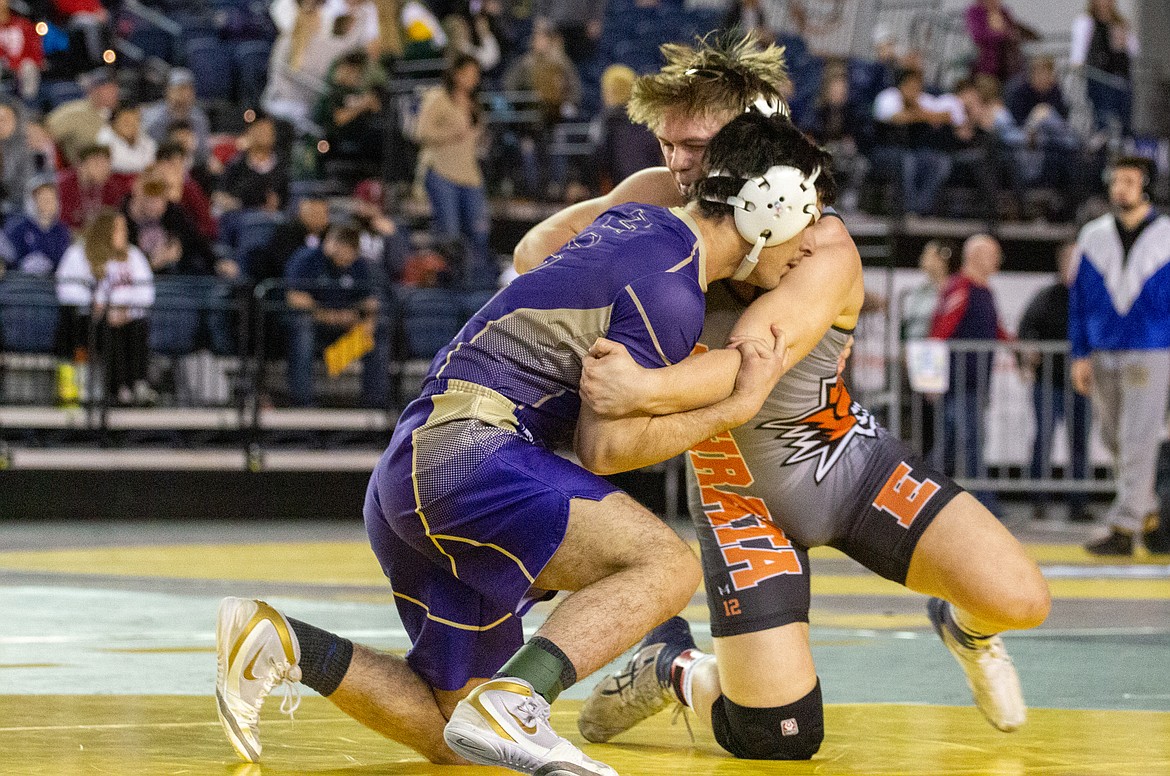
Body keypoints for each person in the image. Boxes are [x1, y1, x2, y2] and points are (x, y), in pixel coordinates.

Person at [214, 111, 826, 775]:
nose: (811, 240)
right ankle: (520, 696)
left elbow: (537, 254)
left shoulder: (637, 228)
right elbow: (606, 451)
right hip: (467, 459)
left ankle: (281, 643)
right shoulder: (669, 287)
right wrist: (737, 404)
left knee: (459, 740)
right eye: (812, 212)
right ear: (775, 204)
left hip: (414, 467)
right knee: (665, 566)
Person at [513, 33, 1048, 761]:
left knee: (1020, 600)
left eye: (693, 146)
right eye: (667, 143)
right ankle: (675, 667)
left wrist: (639, 382)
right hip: (738, 495)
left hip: (844, 464)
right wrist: (630, 279)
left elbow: (748, 366)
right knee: (779, 737)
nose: (675, 162)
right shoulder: (656, 198)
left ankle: (966, 628)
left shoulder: (821, 244)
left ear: (747, 141)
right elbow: (534, 253)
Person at [1070, 156, 1170, 556]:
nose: (1120, 188)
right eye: (1116, 181)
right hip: (1103, 346)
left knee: (1137, 438)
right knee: (1112, 437)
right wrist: (1079, 352)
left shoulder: (1165, 234)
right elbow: (1078, 300)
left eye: (1129, 181)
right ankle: (1149, 514)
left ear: (1145, 186)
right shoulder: (1093, 235)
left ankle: (1124, 526)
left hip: (1150, 347)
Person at [929, 234, 1010, 513]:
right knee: (969, 443)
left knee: (951, 445)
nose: (998, 260)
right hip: (961, 382)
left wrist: (1019, 348)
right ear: (976, 257)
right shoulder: (962, 288)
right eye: (993, 254)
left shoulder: (980, 289)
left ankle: (923, 494)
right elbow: (939, 332)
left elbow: (996, 329)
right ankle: (985, 504)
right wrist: (931, 378)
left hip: (971, 381)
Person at [1019, 242, 1090, 522]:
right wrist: (1031, 348)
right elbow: (1027, 327)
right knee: (1043, 441)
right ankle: (1038, 501)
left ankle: (1079, 504)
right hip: (1049, 383)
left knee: (1080, 445)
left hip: (1080, 384)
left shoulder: (1088, 298)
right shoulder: (1047, 296)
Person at [55, 208, 156, 405]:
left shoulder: (133, 255)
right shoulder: (78, 253)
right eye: (118, 229)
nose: (124, 234)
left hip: (126, 317)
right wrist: (97, 304)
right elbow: (66, 288)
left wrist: (127, 311)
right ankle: (118, 389)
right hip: (89, 318)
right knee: (107, 332)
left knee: (138, 328)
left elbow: (146, 291)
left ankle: (137, 384)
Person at [281, 223, 385, 408]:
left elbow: (370, 302)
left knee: (378, 330)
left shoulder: (359, 265)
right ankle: (302, 402)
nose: (347, 254)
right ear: (332, 244)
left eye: (352, 249)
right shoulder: (307, 259)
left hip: (344, 329)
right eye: (343, 246)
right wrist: (325, 315)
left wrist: (366, 321)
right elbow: (295, 297)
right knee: (302, 328)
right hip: (315, 324)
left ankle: (374, 403)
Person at [414, 54, 493, 288]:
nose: (472, 79)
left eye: (475, 75)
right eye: (467, 73)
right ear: (455, 73)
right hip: (442, 170)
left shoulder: (473, 103)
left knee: (479, 231)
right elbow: (421, 133)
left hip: (469, 173)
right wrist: (451, 136)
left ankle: (476, 283)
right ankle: (449, 284)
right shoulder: (438, 98)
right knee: (449, 231)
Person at [872, 68, 955, 216]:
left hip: (914, 151)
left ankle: (921, 209)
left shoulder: (922, 98)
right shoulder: (888, 96)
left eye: (918, 86)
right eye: (910, 86)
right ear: (902, 85)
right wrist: (922, 114)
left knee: (940, 162)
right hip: (884, 150)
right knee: (907, 162)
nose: (914, 90)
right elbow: (896, 118)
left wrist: (918, 111)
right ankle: (907, 210)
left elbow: (947, 116)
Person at [1071, 0, 1138, 138]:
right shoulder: (1086, 22)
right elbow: (1078, 53)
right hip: (1099, 77)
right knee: (1103, 117)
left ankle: (1124, 144)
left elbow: (1134, 49)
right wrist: (1078, 63)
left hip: (1120, 77)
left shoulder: (1120, 23)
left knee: (1125, 118)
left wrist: (1122, 39)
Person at [214, 114, 288, 213]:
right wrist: (235, 204)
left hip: (270, 219)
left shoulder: (282, 167)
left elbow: (285, 200)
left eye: (268, 131)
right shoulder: (236, 163)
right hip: (239, 218)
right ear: (250, 133)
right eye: (260, 131)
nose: (264, 135)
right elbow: (219, 194)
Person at [45, 66, 119, 166]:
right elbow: (45, 134)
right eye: (107, 88)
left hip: (121, 172)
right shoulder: (74, 113)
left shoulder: (121, 114)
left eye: (114, 87)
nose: (114, 92)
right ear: (92, 90)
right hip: (83, 173)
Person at [57, 144, 133, 233]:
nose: (104, 169)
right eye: (97, 164)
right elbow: (60, 223)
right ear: (81, 165)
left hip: (99, 237)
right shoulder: (63, 186)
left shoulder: (112, 187)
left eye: (106, 164)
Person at [4, 177, 71, 276]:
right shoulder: (16, 228)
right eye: (43, 199)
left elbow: (65, 262)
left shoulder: (62, 231)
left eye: (52, 198)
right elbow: (7, 259)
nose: (48, 203)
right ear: (32, 201)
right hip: (20, 283)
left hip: (52, 283)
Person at [141, 68, 212, 159]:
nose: (184, 95)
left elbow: (203, 153)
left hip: (193, 166)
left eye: (189, 90)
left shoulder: (199, 118)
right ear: (168, 91)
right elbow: (147, 151)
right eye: (179, 89)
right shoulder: (153, 117)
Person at [96, 104, 158, 175]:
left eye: (136, 120)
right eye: (126, 121)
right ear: (113, 123)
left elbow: (152, 159)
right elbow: (117, 164)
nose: (132, 125)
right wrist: (145, 168)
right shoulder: (104, 140)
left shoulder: (143, 137)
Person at [0, 0, 43, 101]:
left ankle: (29, 103)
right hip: (3, 64)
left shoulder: (22, 24)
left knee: (29, 66)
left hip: (20, 64)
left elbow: (34, 48)